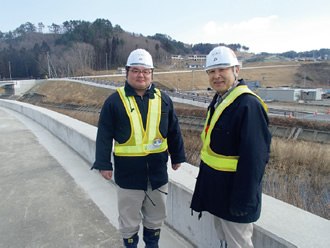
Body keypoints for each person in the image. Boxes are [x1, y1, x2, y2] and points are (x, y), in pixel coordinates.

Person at [92, 48, 186, 248]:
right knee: (129, 220)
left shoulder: (164, 99)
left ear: (151, 74)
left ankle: (152, 245)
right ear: (127, 73)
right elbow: (104, 135)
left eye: (145, 71)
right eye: (135, 70)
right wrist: (103, 164)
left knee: (155, 218)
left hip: (158, 174)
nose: (140, 75)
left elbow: (174, 130)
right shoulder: (114, 101)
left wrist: (178, 157)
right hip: (128, 176)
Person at [190, 46, 272, 248]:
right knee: (225, 240)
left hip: (236, 196)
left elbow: (255, 158)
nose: (216, 76)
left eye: (222, 70)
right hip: (219, 193)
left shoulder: (248, 105)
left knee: (238, 244)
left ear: (236, 70)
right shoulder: (221, 100)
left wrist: (243, 200)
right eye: (211, 71)